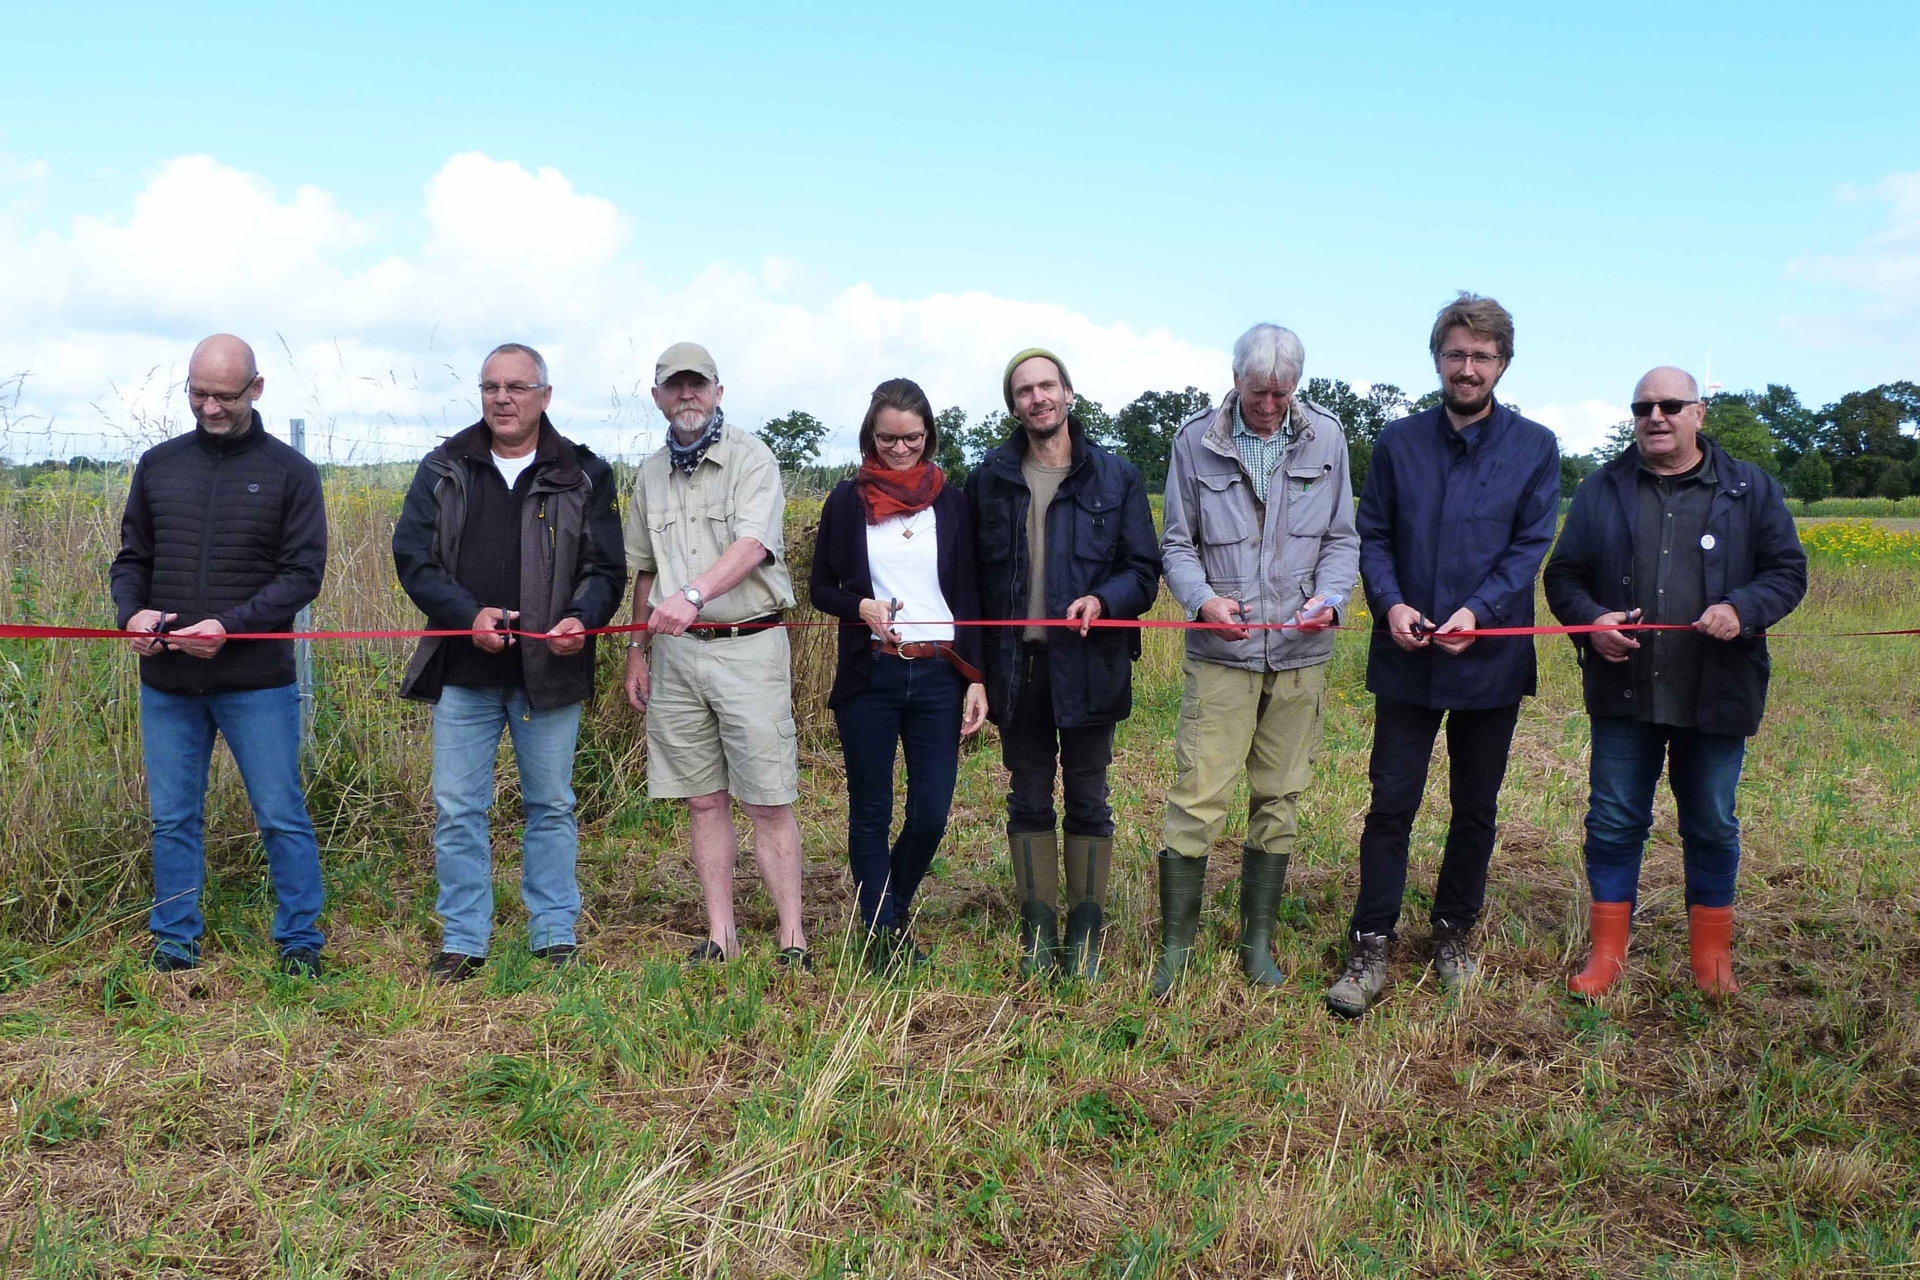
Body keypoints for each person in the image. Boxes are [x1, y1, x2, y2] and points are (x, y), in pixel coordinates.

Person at [1327, 294, 1561, 1017]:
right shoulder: (1398, 443)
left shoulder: (1535, 446)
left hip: (1489, 656)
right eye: (1456, 354)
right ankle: (1372, 938)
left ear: (1502, 364)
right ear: (1438, 358)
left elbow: (1529, 546)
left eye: (1482, 356)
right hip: (1407, 654)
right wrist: (1392, 602)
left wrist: (1478, 612)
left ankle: (1455, 932)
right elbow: (1375, 534)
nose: (1467, 367)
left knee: (1475, 807)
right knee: (1391, 801)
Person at [1545, 367, 1807, 998]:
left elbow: (1787, 571)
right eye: (1642, 407)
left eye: (1669, 405)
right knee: (1612, 822)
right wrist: (1591, 621)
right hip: (1624, 691)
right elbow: (1564, 578)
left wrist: (1744, 608)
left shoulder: (1751, 488)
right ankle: (1607, 953)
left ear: (1699, 413)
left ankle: (1711, 956)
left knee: (1712, 823)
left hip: (1715, 692)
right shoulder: (1602, 490)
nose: (1654, 416)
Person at [393, 343, 626, 983]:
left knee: (549, 805)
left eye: (517, 387)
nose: (503, 398)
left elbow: (605, 569)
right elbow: (414, 558)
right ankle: (464, 939)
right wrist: (466, 615)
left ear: (544, 397)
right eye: (492, 386)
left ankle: (553, 932)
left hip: (548, 673)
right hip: (464, 672)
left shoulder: (582, 473)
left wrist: (582, 616)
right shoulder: (444, 468)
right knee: (457, 808)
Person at [109, 334, 328, 976]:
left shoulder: (292, 473)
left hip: (256, 681)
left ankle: (299, 941)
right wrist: (133, 614)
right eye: (197, 393)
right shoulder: (158, 465)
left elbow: (301, 575)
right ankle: (174, 940)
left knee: (280, 812)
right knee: (172, 817)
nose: (208, 408)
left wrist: (229, 627)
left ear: (256, 390)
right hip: (168, 681)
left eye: (223, 396)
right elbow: (132, 560)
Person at [1154, 324, 1360, 996]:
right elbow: (1177, 544)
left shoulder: (1328, 439)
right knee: (1198, 797)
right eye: (1258, 390)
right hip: (1222, 655)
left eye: (1282, 391)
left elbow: (1341, 539)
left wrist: (1330, 600)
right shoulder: (1193, 442)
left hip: (1301, 654)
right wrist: (1203, 600)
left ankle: (1258, 945)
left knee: (1279, 797)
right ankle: (1177, 949)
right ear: (1235, 378)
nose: (1270, 403)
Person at [965, 347, 1160, 981]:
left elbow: (1143, 571)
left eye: (1048, 385)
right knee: (1026, 797)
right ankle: (1038, 926)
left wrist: (1105, 599)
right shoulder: (988, 479)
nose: (1038, 398)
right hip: (1014, 669)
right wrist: (973, 674)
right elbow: (970, 581)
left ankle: (1085, 929)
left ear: (1070, 393)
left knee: (1089, 797)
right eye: (1024, 390)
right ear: (1013, 405)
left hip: (1090, 664)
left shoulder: (1116, 477)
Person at [622, 343, 810, 968]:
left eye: (696, 385)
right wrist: (636, 650)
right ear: (657, 397)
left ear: (718, 391)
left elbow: (754, 545)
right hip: (675, 657)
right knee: (702, 798)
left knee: (767, 799)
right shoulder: (648, 474)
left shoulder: (752, 457)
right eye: (674, 388)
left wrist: (696, 595)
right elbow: (644, 572)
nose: (687, 397)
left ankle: (791, 939)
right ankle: (721, 936)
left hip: (748, 646)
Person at [809, 379, 990, 971]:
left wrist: (978, 677)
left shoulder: (953, 502)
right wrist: (858, 607)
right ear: (870, 433)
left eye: (912, 438)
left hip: (940, 676)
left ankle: (892, 903)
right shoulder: (846, 501)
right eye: (887, 438)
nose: (899, 449)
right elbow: (819, 589)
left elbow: (971, 592)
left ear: (929, 436)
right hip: (872, 677)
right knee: (871, 810)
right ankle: (882, 933)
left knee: (932, 812)